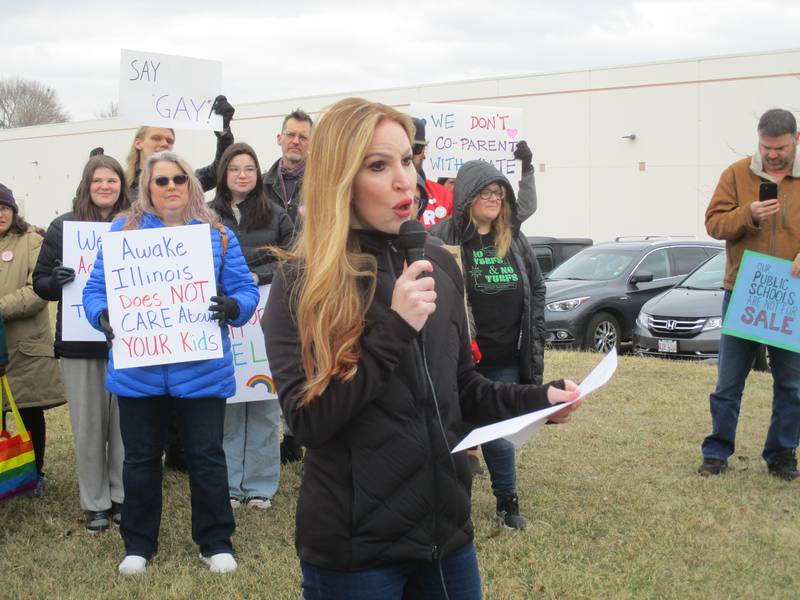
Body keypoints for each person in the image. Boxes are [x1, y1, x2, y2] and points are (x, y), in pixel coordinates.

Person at [263, 97, 581, 599]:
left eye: (407, 161)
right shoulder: (302, 281)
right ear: (340, 179)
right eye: (378, 165)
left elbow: (462, 391)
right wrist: (395, 327)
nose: (403, 180)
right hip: (355, 553)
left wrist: (537, 401)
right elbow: (309, 421)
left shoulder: (439, 262)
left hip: (446, 538)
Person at [82, 152, 259, 574]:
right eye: (161, 180)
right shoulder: (122, 233)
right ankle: (139, 546)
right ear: (147, 188)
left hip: (201, 370)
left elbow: (245, 291)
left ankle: (215, 542)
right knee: (140, 460)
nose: (171, 186)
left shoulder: (216, 236)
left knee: (207, 456)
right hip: (139, 371)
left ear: (192, 185)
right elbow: (94, 290)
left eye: (179, 178)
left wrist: (233, 306)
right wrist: (102, 315)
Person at [430, 160, 546, 529]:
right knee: (453, 428)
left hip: (505, 356)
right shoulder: (442, 237)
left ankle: (507, 501)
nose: (494, 199)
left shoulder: (512, 237)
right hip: (458, 355)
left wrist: (533, 334)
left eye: (499, 192)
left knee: (499, 430)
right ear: (467, 196)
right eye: (486, 192)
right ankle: (451, 503)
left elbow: (537, 286)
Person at [700, 108, 800, 480]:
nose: (772, 154)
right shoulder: (737, 174)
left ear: (796, 140)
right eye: (765, 147)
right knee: (729, 381)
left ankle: (782, 454)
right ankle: (716, 452)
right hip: (744, 288)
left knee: (792, 384)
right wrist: (750, 213)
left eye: (779, 147)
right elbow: (714, 223)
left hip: (791, 294)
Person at [32, 156, 130, 531]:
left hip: (126, 341)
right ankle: (95, 503)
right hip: (78, 343)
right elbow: (40, 284)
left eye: (112, 180)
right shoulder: (63, 226)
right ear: (87, 184)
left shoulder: (135, 224)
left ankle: (122, 496)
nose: (105, 186)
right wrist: (55, 280)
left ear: (122, 184)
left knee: (124, 427)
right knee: (88, 426)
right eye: (98, 180)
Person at [209, 143, 293, 509]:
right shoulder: (205, 214)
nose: (242, 175)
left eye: (249, 168)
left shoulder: (276, 215)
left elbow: (294, 259)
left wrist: (257, 278)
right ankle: (228, 484)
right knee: (227, 404)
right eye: (234, 168)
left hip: (264, 318)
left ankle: (259, 486)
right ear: (223, 173)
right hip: (220, 317)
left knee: (262, 402)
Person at [0, 184, 66, 497]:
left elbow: (38, 290)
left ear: (14, 210)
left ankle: (34, 474)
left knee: (28, 412)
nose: (0, 213)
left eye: (4, 207)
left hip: (24, 348)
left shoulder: (32, 241)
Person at [411, 117, 538, 228]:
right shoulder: (392, 192)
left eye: (415, 148)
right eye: (452, 182)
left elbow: (522, 211)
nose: (408, 153)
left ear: (424, 153)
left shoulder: (444, 196)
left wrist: (525, 169)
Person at [124, 95, 236, 199]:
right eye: (156, 138)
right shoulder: (119, 185)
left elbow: (217, 171)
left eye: (169, 140)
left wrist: (223, 132)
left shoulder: (184, 180)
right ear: (138, 143)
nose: (164, 144)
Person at [262, 108, 314, 225]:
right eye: (290, 135)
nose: (296, 141)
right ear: (279, 139)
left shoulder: (323, 185)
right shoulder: (260, 185)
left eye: (303, 137)